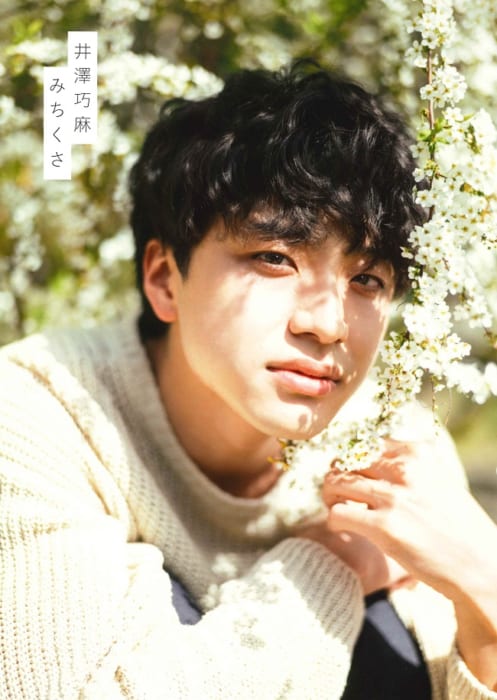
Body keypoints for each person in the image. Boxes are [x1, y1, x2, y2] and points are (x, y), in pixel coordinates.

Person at [1, 60, 496, 699]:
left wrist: (484, 587)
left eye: (367, 279)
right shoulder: (36, 419)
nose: (327, 324)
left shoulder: (394, 443)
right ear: (164, 279)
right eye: (274, 258)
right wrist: (333, 561)